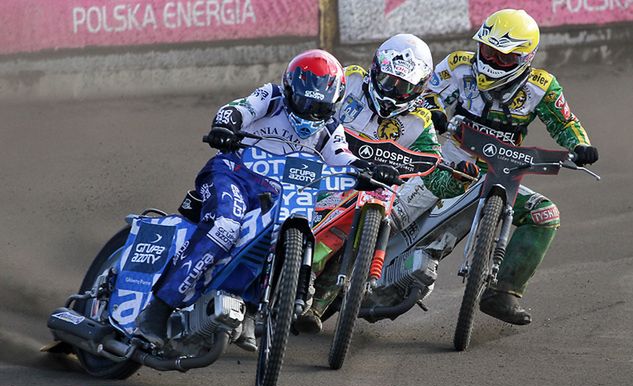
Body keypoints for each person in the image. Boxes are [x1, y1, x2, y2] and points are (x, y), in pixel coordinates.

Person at [134, 49, 403, 351]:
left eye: (318, 107)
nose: (308, 112)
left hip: (277, 194)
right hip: (233, 173)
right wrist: (225, 126)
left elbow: (343, 158)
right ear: (290, 88)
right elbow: (238, 109)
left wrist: (369, 170)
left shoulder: (330, 128)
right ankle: (156, 311)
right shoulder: (271, 96)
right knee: (225, 226)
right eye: (303, 102)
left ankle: (246, 307)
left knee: (270, 237)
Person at [422, 9, 599, 325]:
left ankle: (503, 292)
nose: (492, 61)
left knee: (545, 215)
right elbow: (427, 95)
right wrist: (434, 112)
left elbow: (565, 123)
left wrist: (579, 145)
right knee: (393, 214)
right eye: (489, 51)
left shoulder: (542, 86)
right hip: (448, 160)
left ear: (525, 58)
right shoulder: (457, 65)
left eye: (504, 57)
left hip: (501, 170)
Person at [294, 34, 480, 334]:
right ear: (375, 69)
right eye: (390, 81)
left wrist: (457, 180)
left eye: (405, 87)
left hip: (365, 192)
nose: (394, 92)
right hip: (313, 172)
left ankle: (314, 304)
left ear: (420, 88)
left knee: (356, 230)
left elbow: (433, 173)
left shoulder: (420, 122)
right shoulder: (349, 80)